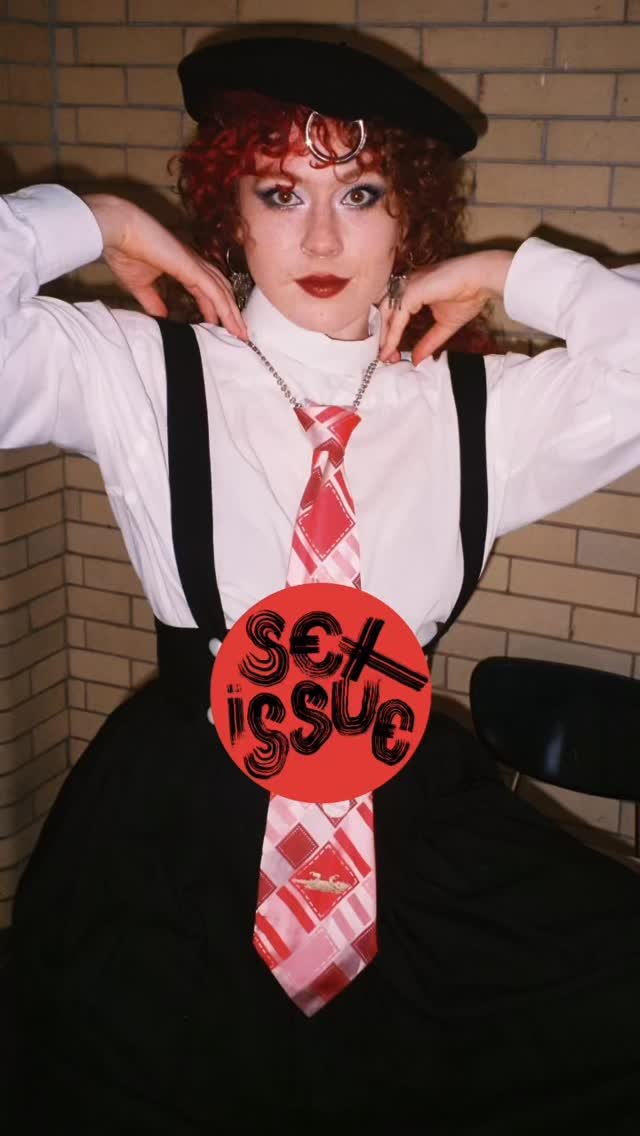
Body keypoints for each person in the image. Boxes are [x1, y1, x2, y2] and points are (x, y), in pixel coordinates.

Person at [3, 32, 640, 1135]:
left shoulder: (482, 408)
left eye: (361, 192)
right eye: (279, 191)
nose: (322, 237)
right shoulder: (137, 369)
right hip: (176, 834)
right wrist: (92, 220)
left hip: (408, 823)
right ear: (233, 213)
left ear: (410, 217)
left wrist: (516, 273)